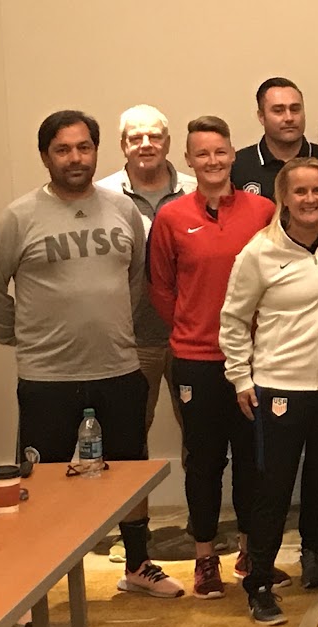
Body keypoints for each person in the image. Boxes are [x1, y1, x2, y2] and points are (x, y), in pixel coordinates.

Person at [0, 110, 183, 599]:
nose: (75, 158)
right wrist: (23, 336)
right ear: (45, 156)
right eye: (63, 149)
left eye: (84, 147)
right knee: (41, 480)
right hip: (49, 376)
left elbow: (135, 279)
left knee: (129, 470)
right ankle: (31, 582)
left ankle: (138, 565)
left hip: (119, 366)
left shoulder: (121, 210)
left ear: (96, 151)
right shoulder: (19, 217)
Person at [220, 158, 318, 625]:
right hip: (279, 387)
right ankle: (259, 583)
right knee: (273, 488)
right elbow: (233, 320)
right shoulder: (259, 252)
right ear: (283, 198)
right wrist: (241, 378)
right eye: (300, 192)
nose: (310, 200)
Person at [148, 115, 283, 598]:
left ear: (232, 155)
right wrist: (192, 326)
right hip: (197, 360)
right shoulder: (170, 217)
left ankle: (249, 551)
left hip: (256, 360)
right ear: (188, 159)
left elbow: (279, 274)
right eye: (202, 153)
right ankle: (205, 556)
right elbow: (161, 287)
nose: (212, 160)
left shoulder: (263, 210)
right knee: (204, 462)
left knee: (253, 461)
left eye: (220, 152)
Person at [95, 104, 194, 535]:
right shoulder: (100, 197)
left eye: (154, 136)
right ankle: (133, 535)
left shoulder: (196, 189)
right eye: (135, 137)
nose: (146, 144)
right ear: (122, 145)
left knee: (201, 436)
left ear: (168, 142)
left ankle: (202, 525)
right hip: (132, 338)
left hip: (192, 335)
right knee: (130, 438)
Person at [231, 77, 318, 196]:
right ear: (261, 117)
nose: (289, 118)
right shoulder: (237, 166)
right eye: (278, 111)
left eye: (295, 109)